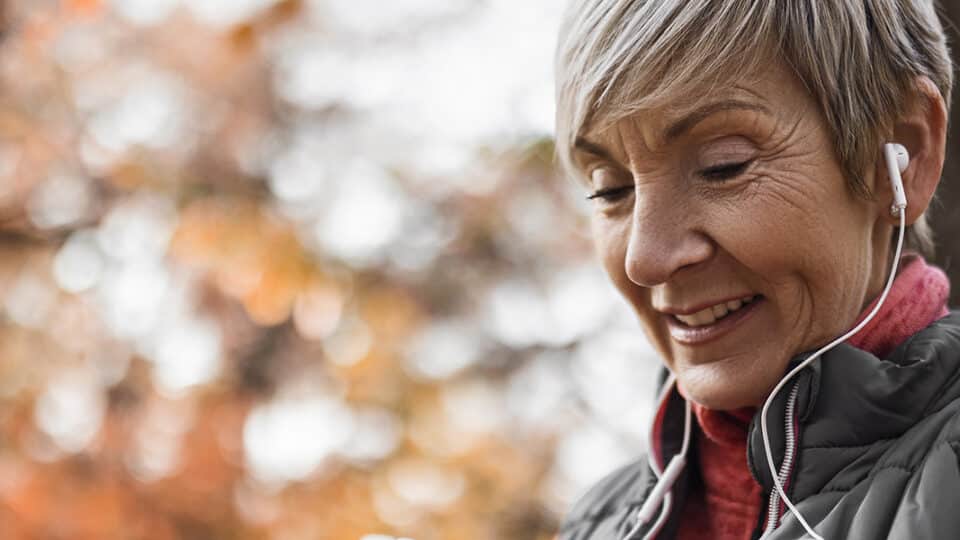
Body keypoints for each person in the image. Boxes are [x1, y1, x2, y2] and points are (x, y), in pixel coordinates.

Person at [553, 1, 958, 539]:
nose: (645, 260)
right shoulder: (594, 523)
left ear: (904, 154)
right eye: (610, 189)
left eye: (723, 165)